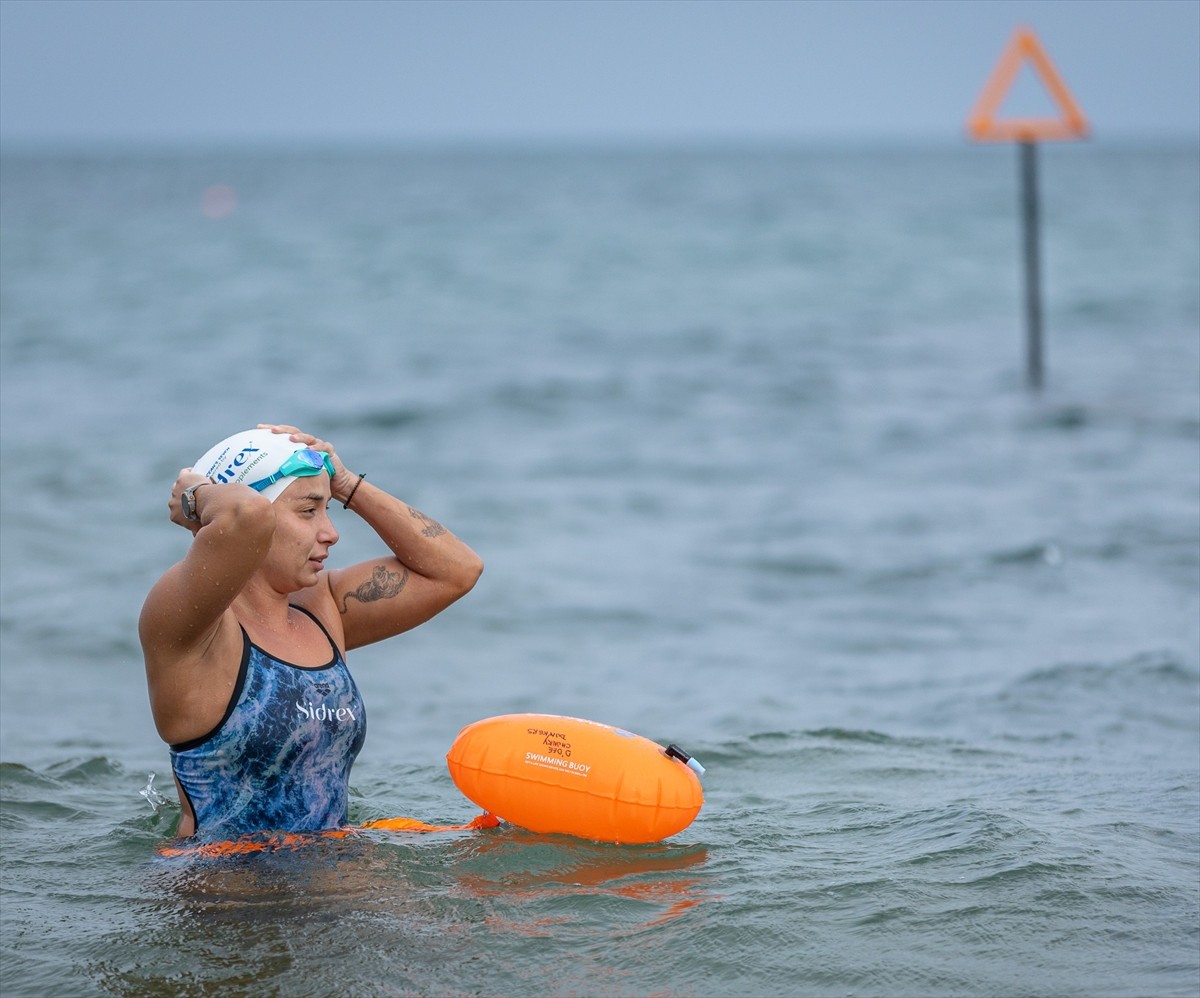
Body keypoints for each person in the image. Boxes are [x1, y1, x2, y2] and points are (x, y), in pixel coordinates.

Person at [139, 423, 483, 840]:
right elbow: (243, 515)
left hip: (329, 873)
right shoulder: (190, 627)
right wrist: (195, 496)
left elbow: (457, 570)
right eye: (308, 511)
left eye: (328, 510)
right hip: (228, 893)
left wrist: (347, 485)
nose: (331, 532)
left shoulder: (322, 609)